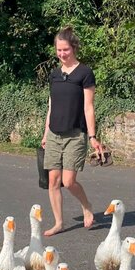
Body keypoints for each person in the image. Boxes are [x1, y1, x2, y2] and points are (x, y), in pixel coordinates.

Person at [41, 26, 103, 237]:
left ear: (73, 48)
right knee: (53, 181)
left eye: (65, 50)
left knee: (68, 182)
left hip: (75, 134)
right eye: (58, 50)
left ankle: (86, 205)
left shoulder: (85, 73)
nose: (61, 54)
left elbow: (89, 107)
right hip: (54, 134)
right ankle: (58, 222)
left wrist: (92, 137)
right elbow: (51, 105)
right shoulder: (55, 75)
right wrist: (45, 132)